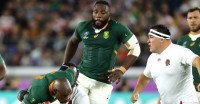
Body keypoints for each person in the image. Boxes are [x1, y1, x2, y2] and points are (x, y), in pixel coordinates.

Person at [63, 0, 141, 104]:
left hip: (102, 83)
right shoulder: (83, 27)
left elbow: (136, 48)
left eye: (103, 13)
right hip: (82, 78)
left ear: (109, 14)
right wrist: (65, 64)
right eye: (95, 12)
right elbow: (72, 42)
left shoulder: (118, 28)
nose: (98, 15)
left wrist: (121, 70)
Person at [131, 24, 200, 104]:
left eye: (151, 37)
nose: (148, 41)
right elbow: (145, 76)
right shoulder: (152, 58)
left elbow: (198, 61)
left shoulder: (180, 52)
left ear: (161, 39)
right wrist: (136, 92)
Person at [17, 63, 90, 104]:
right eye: (64, 96)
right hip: (42, 93)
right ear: (55, 91)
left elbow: (74, 68)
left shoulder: (69, 77)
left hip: (73, 91)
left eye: (67, 95)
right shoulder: (39, 93)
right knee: (21, 96)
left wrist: (73, 85)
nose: (67, 98)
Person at [177, 7, 200, 102]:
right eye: (190, 18)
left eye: (196, 17)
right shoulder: (182, 41)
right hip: (187, 92)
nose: (192, 20)